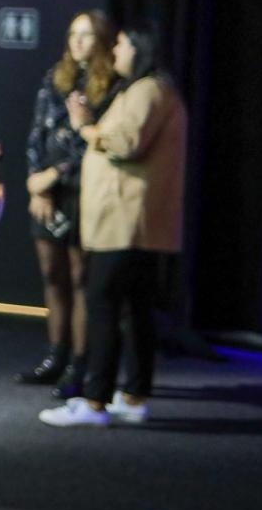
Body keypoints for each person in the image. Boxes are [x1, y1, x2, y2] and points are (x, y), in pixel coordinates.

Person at [39, 22, 188, 427]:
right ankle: (133, 395)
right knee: (134, 308)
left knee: (102, 302)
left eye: (120, 44)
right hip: (129, 221)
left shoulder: (149, 90)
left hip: (127, 221)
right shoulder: (145, 89)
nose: (114, 51)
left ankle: (93, 402)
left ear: (139, 49)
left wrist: (84, 125)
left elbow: (126, 143)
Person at [15, 10, 117, 399]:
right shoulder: (54, 79)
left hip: (82, 191)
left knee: (80, 280)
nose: (77, 42)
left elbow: (92, 143)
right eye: (73, 34)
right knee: (52, 277)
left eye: (87, 35)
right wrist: (36, 185)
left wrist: (55, 175)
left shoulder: (110, 87)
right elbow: (36, 135)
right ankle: (54, 357)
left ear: (103, 41)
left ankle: (79, 363)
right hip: (47, 194)